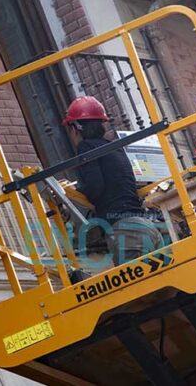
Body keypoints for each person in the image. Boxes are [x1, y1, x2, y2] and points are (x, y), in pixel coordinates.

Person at [62, 96, 164, 268]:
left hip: (127, 233)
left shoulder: (85, 147)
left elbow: (95, 187)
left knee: (137, 289)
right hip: (148, 228)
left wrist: (74, 190)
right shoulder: (115, 148)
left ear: (75, 128)